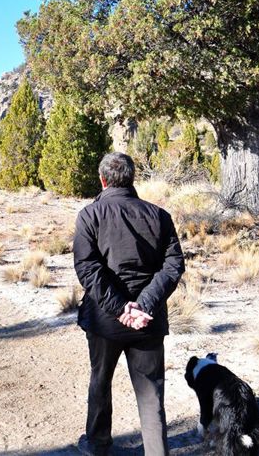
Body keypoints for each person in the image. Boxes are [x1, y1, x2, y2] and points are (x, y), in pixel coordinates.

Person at [73, 152, 185, 456]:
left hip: (104, 321)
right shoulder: (159, 215)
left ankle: (97, 444)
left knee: (100, 381)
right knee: (151, 392)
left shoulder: (89, 215)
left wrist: (121, 308)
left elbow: (88, 269)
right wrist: (143, 305)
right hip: (147, 323)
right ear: (132, 178)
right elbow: (173, 266)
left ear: (103, 180)